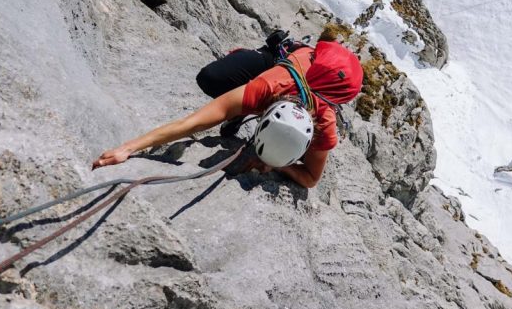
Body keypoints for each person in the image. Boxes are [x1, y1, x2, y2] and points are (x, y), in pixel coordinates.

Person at [92, 31, 363, 190]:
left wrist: (280, 164)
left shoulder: (325, 125)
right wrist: (128, 148)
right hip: (284, 58)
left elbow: (311, 179)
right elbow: (192, 123)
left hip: (328, 79)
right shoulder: (265, 86)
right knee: (211, 78)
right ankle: (249, 60)